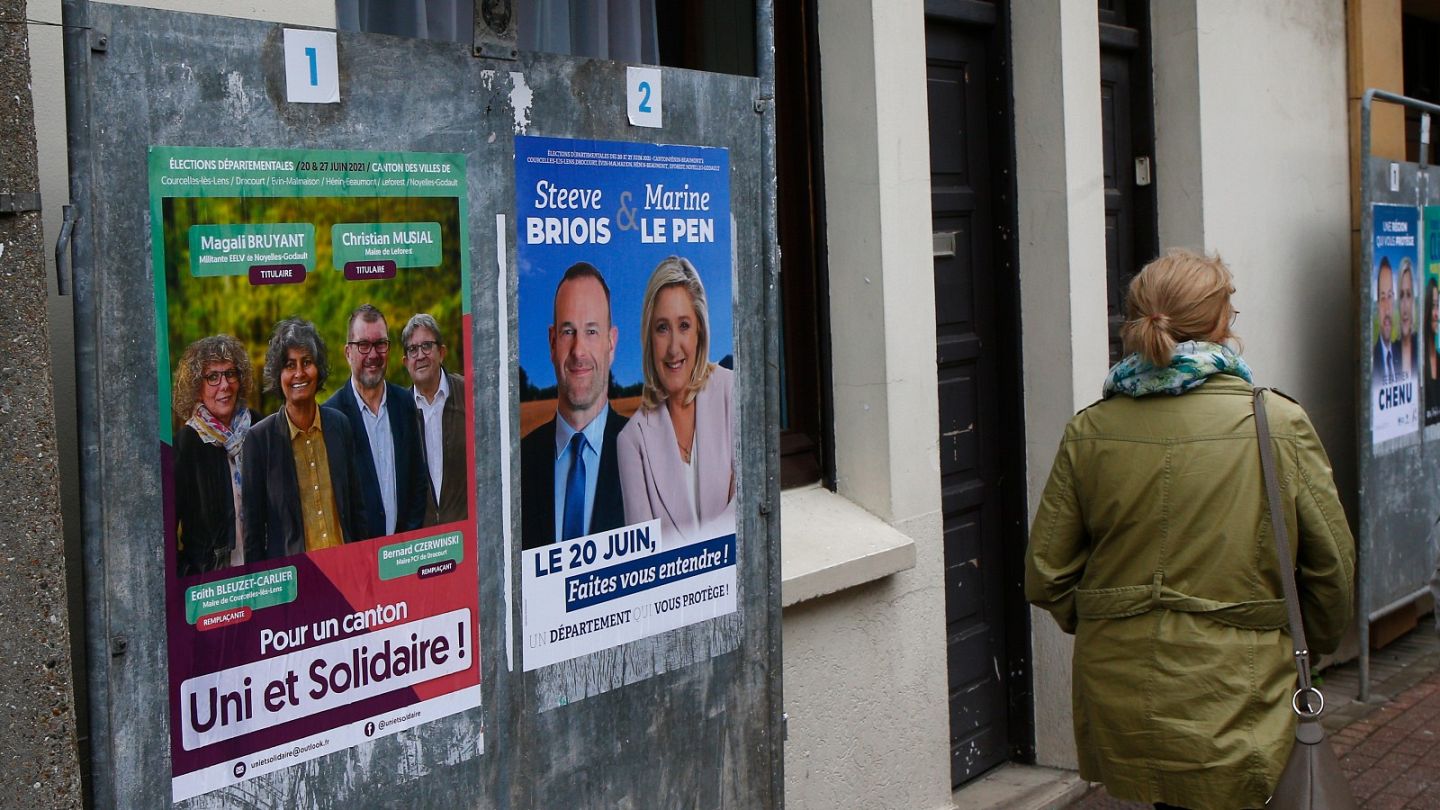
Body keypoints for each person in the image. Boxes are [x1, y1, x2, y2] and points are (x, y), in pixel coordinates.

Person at [1025, 249, 1354, 810]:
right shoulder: (1274, 422)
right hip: (1242, 682)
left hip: (1121, 681)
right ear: (1222, 322)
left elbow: (1046, 575)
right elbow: (1332, 568)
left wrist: (1117, 617)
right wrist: (1309, 648)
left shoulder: (1091, 428)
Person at [616, 256, 736, 548]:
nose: (673, 348)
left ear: (699, 332)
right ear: (649, 337)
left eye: (683, 325)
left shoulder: (731, 391)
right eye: (662, 328)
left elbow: (749, 514)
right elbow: (645, 553)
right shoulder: (632, 440)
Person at [521, 262, 629, 549]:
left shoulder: (649, 453)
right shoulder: (519, 462)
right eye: (569, 331)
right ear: (552, 342)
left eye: (592, 332)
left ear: (611, 343)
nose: (579, 350)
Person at [243, 318, 367, 560]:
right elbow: (253, 539)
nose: (299, 373)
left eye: (307, 362)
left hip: (346, 570)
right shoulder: (259, 441)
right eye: (290, 365)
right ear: (278, 374)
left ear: (318, 368)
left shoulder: (340, 426)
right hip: (294, 585)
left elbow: (357, 512)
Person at [324, 304, 427, 539]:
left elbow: (418, 482)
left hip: (403, 554)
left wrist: (407, 542)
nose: (373, 355)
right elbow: (334, 505)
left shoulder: (405, 403)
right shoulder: (330, 416)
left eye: (380, 343)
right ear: (348, 352)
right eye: (363, 345)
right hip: (358, 560)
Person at [172, 334, 257, 576]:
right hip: (214, 586)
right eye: (212, 377)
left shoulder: (259, 429)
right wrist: (191, 576)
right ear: (196, 388)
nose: (224, 385)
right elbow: (164, 530)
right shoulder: (186, 444)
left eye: (230, 373)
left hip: (265, 576)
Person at [401, 313, 467, 526]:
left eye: (427, 346)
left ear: (442, 352)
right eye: (412, 349)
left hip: (467, 530)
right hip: (424, 542)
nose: (420, 355)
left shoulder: (469, 393)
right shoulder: (398, 410)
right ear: (405, 362)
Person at [1374, 257, 1400, 383]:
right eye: (1382, 297)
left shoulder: (1401, 355)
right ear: (1377, 304)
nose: (1387, 308)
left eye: (1389, 296)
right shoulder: (1371, 362)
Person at [1399, 258, 1418, 379]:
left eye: (1408, 295)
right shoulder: (1389, 354)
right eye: (1401, 296)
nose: (1405, 306)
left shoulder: (1421, 348)